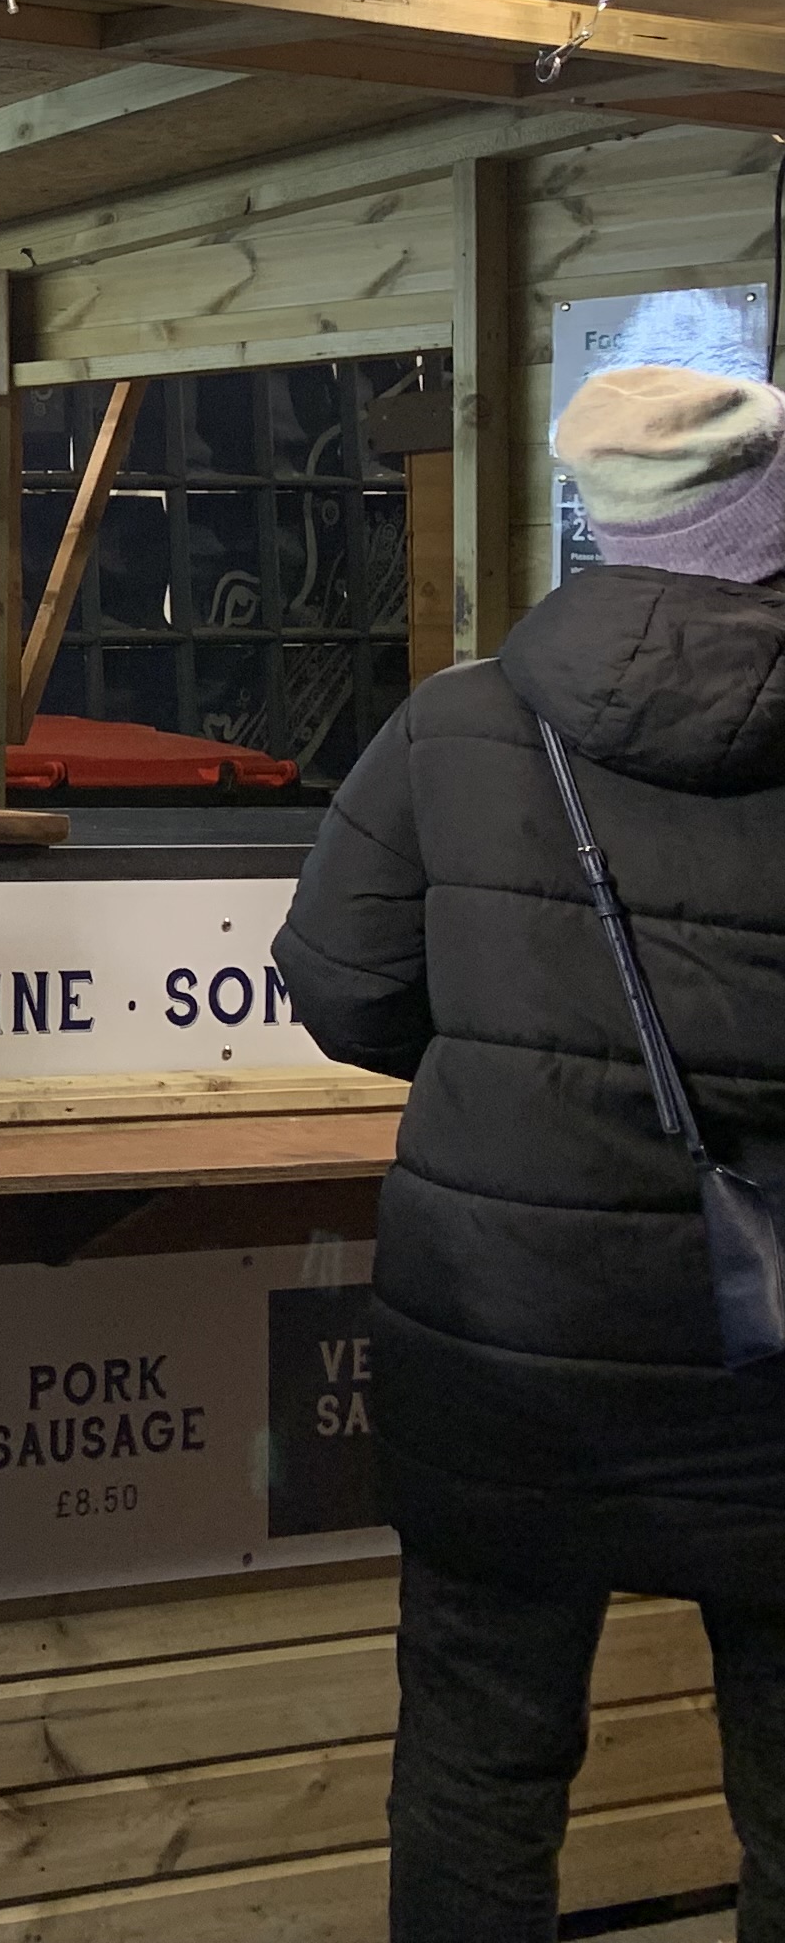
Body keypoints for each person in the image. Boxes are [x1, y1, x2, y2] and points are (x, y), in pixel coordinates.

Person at [275, 364, 785, 1943]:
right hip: (766, 1355)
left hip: (508, 1342)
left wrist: (513, 1065)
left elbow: (342, 987)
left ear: (603, 518)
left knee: (479, 1776)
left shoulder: (460, 723)